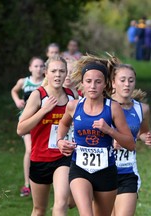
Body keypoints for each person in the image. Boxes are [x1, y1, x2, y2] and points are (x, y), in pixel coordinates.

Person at [57, 54, 135, 216]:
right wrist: (60, 141)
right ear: (82, 84)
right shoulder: (73, 106)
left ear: (105, 84)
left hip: (106, 171)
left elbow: (130, 143)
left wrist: (110, 131)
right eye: (89, 81)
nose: (93, 86)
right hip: (79, 169)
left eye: (98, 82)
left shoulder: (113, 108)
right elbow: (64, 123)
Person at [17, 55, 75, 215]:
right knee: (39, 210)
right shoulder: (38, 95)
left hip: (63, 157)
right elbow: (21, 129)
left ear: (65, 74)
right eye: (54, 71)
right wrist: (43, 111)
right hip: (40, 158)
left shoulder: (72, 96)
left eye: (62, 71)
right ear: (46, 74)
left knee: (61, 203)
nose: (58, 75)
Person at [110, 64, 151, 216]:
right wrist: (111, 142)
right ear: (113, 83)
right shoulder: (103, 105)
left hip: (128, 170)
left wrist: (145, 137)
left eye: (131, 80)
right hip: (103, 171)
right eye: (122, 80)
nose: (127, 84)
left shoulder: (142, 109)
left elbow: (142, 132)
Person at [11, 56, 44, 197]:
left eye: (41, 66)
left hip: (42, 121)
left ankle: (43, 182)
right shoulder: (24, 81)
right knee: (30, 150)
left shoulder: (46, 82)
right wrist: (17, 100)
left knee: (42, 150)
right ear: (30, 68)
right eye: (35, 66)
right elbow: (13, 91)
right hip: (27, 121)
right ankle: (27, 185)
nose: (38, 69)